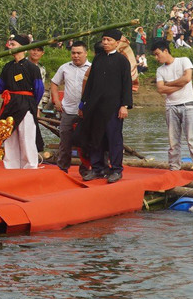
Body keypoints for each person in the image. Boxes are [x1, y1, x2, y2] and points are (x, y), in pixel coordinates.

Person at [0, 35, 44, 169]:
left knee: (27, 138)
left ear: (23, 47)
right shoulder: (7, 67)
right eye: (10, 44)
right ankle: (11, 167)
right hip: (9, 105)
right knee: (9, 137)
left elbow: (39, 90)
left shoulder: (32, 68)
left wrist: (30, 104)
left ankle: (30, 167)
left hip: (26, 105)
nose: (10, 47)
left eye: (13, 44)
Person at [77, 28, 133, 183]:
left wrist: (125, 105)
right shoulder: (98, 59)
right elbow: (90, 84)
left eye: (109, 40)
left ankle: (116, 169)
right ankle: (97, 168)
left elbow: (127, 84)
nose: (106, 43)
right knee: (96, 138)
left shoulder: (122, 61)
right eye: (104, 40)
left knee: (114, 139)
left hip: (113, 107)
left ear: (117, 42)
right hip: (95, 107)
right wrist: (83, 103)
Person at [151, 39, 193, 172]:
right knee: (173, 141)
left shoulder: (183, 60)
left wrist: (168, 84)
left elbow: (187, 79)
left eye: (157, 54)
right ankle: (174, 167)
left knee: (192, 138)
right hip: (171, 106)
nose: (156, 57)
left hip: (188, 105)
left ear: (165, 51)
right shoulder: (160, 70)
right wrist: (177, 85)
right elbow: (160, 89)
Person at [50, 41, 91, 172]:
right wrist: (56, 100)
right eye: (73, 53)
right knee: (65, 140)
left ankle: (86, 168)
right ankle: (62, 168)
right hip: (67, 110)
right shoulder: (64, 67)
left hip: (86, 112)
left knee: (86, 141)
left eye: (79, 53)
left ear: (86, 53)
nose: (76, 56)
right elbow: (54, 83)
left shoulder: (92, 68)